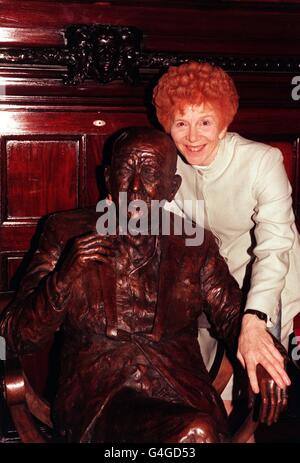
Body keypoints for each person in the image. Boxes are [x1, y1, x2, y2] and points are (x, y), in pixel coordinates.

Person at [0, 127, 286, 443]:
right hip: (98, 400)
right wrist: (64, 277)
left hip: (182, 392)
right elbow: (19, 336)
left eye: (149, 173)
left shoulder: (194, 244)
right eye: (126, 171)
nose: (135, 186)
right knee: (196, 433)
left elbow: (233, 317)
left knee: (197, 427)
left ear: (172, 187)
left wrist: (267, 357)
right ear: (108, 177)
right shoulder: (66, 232)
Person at [152, 62, 298, 411]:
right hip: (207, 282)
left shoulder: (263, 161)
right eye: (181, 123)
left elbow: (275, 246)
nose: (192, 136)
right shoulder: (168, 166)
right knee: (204, 390)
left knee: (248, 383)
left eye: (204, 122)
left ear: (224, 123)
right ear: (167, 125)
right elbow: (169, 231)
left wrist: (255, 317)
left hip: (265, 278)